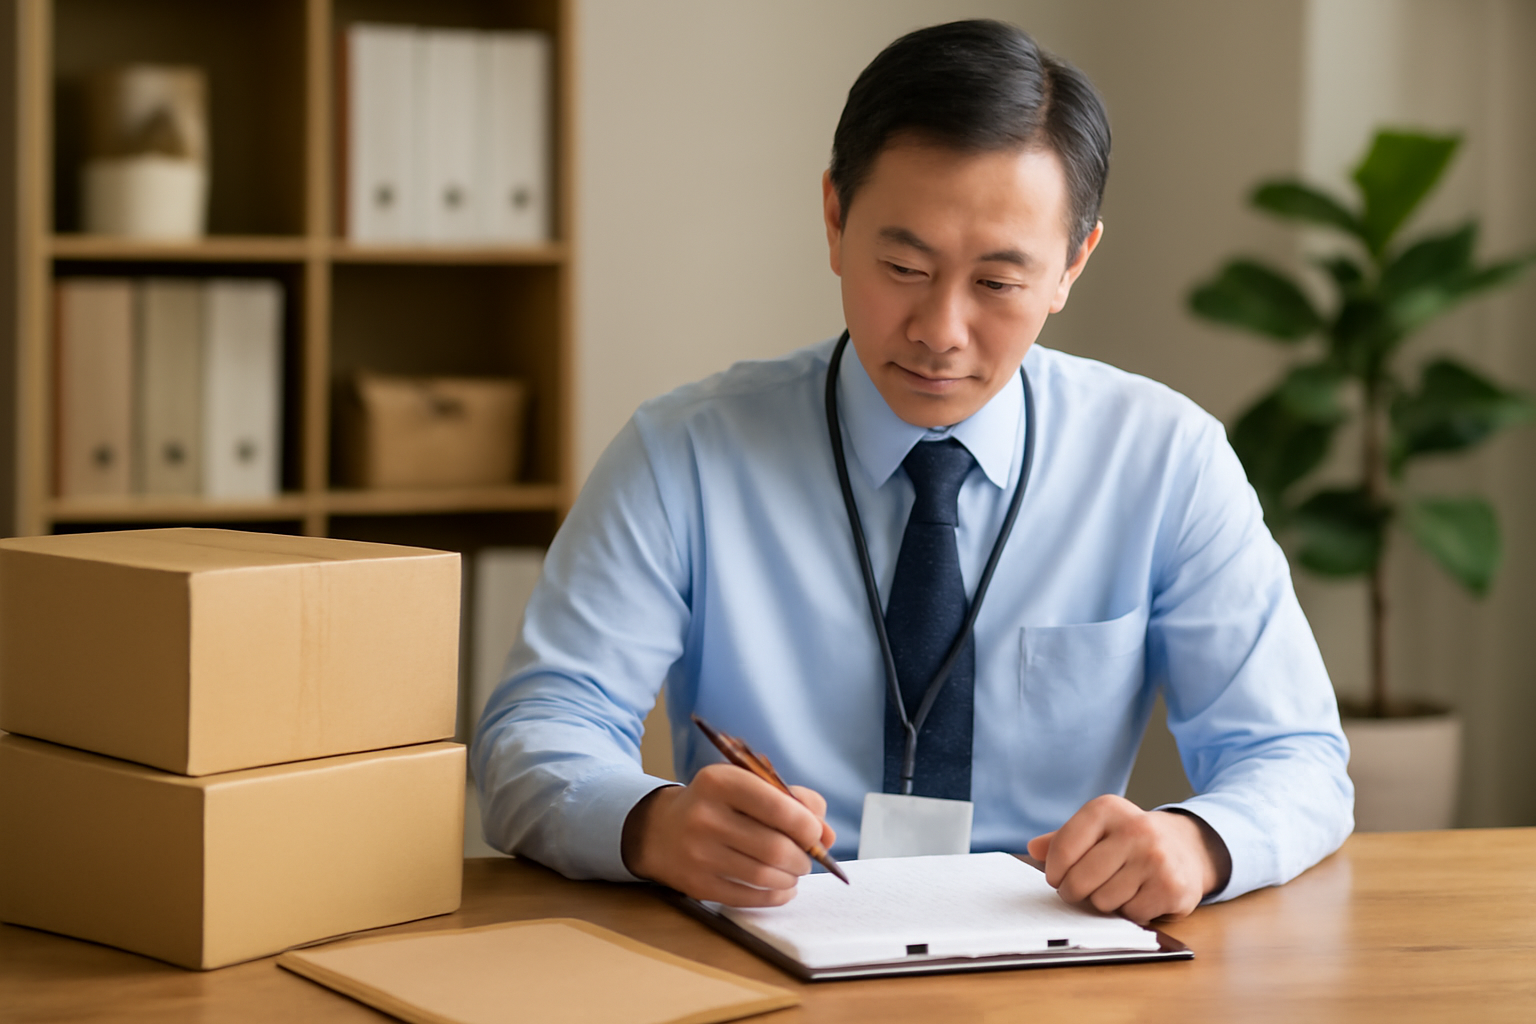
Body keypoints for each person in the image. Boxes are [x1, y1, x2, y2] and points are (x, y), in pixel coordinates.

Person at [473, 19, 1352, 925]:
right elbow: (533, 736)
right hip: (764, 947)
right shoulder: (683, 453)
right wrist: (649, 825)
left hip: (1052, 961)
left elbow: (1294, 756)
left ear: (1073, 265)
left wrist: (1199, 842)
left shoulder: (1165, 458)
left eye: (999, 284)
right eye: (902, 265)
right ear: (832, 219)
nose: (940, 329)